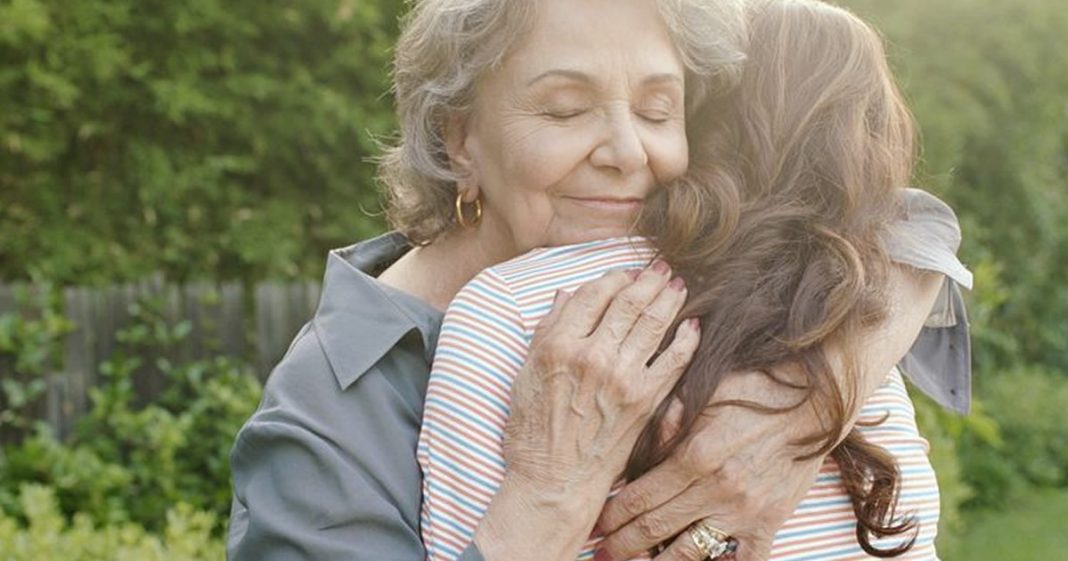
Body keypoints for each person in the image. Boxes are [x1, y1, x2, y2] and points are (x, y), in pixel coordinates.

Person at [226, 0, 972, 560]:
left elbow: (905, 222)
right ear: (460, 141)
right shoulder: (327, 414)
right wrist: (547, 495)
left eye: (658, 108)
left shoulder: (702, 269)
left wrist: (802, 412)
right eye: (565, 107)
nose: (626, 151)